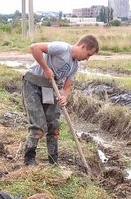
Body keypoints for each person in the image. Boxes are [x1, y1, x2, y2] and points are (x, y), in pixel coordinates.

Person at [22, 34, 100, 166]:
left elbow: (67, 86)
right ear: (83, 46)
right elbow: (34, 47)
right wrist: (46, 68)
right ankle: (29, 159)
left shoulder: (75, 66)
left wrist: (64, 97)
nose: (87, 58)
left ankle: (53, 161)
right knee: (39, 125)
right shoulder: (63, 49)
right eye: (88, 54)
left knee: (54, 125)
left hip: (49, 88)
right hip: (32, 83)